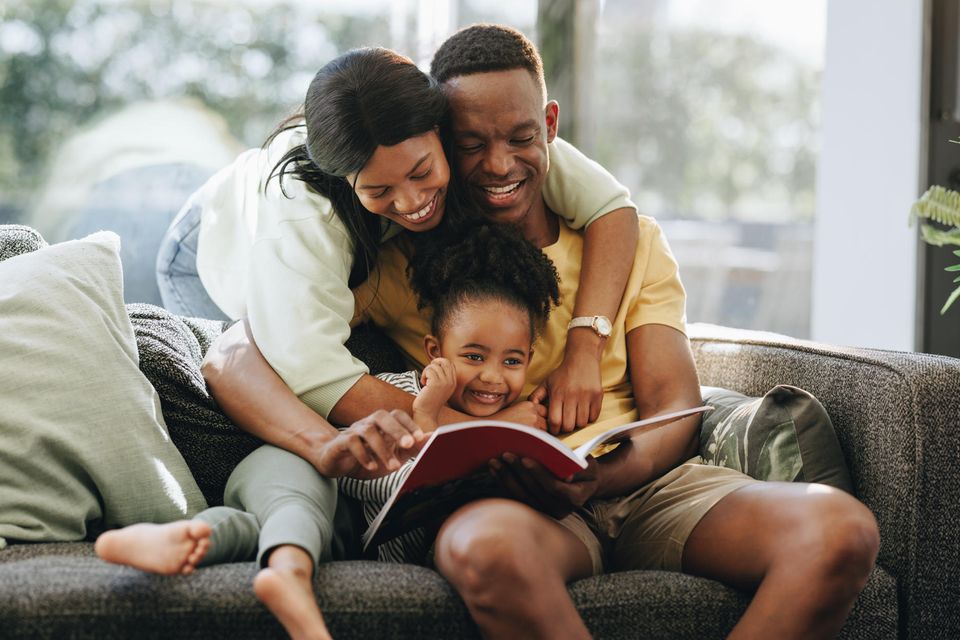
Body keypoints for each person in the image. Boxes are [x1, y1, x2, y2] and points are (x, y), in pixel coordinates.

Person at [209, 25, 881, 640]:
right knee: (479, 548)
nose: (499, 165)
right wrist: (327, 442)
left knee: (839, 529)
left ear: (548, 128)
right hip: (521, 513)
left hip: (650, 489)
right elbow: (237, 351)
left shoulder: (630, 242)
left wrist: (610, 473)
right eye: (471, 145)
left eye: (520, 139)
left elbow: (674, 402)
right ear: (445, 140)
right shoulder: (402, 265)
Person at [342, 219, 562, 564]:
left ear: (529, 361)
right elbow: (354, 479)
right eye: (474, 356)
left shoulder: (524, 423)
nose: (492, 377)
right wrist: (426, 416)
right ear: (436, 352)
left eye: (512, 361)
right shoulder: (398, 391)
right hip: (399, 566)